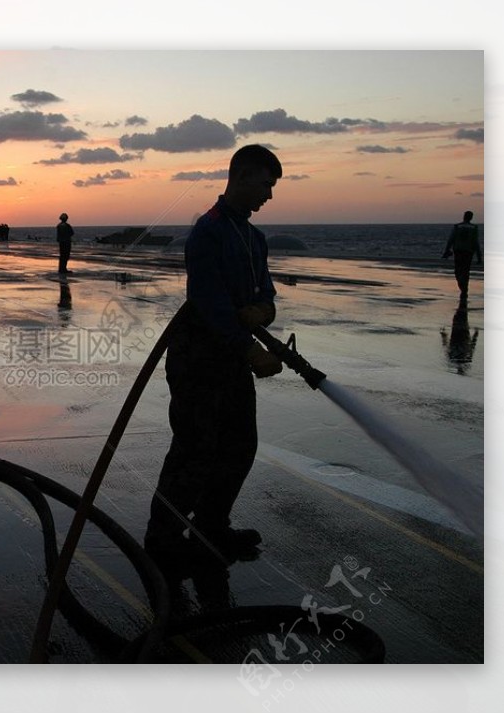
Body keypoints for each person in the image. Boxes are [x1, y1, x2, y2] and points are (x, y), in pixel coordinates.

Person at [144, 144, 285, 573]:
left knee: (240, 445)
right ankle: (163, 541)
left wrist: (264, 310)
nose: (269, 195)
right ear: (240, 177)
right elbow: (207, 300)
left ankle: (212, 527)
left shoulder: (254, 238)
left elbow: (266, 292)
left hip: (232, 360)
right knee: (194, 450)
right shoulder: (208, 231)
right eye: (265, 184)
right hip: (198, 358)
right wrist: (248, 347)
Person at [441, 211, 482, 301]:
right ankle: (464, 289)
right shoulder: (474, 228)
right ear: (471, 218)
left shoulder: (457, 227)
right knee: (466, 271)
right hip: (468, 251)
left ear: (464, 217)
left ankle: (463, 288)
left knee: (458, 271)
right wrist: (479, 256)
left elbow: (451, 239)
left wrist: (446, 250)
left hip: (459, 251)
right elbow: (476, 243)